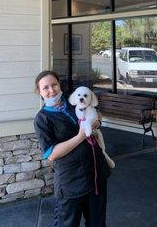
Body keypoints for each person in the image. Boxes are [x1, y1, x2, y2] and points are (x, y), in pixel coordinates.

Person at [34, 70, 111, 227]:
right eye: (45, 88)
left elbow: (96, 114)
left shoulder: (74, 101)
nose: (51, 90)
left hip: (96, 174)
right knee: (67, 224)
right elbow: (52, 154)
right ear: (39, 92)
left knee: (97, 223)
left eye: (54, 84)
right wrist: (80, 136)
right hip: (71, 181)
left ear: (59, 84)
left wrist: (97, 120)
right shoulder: (42, 119)